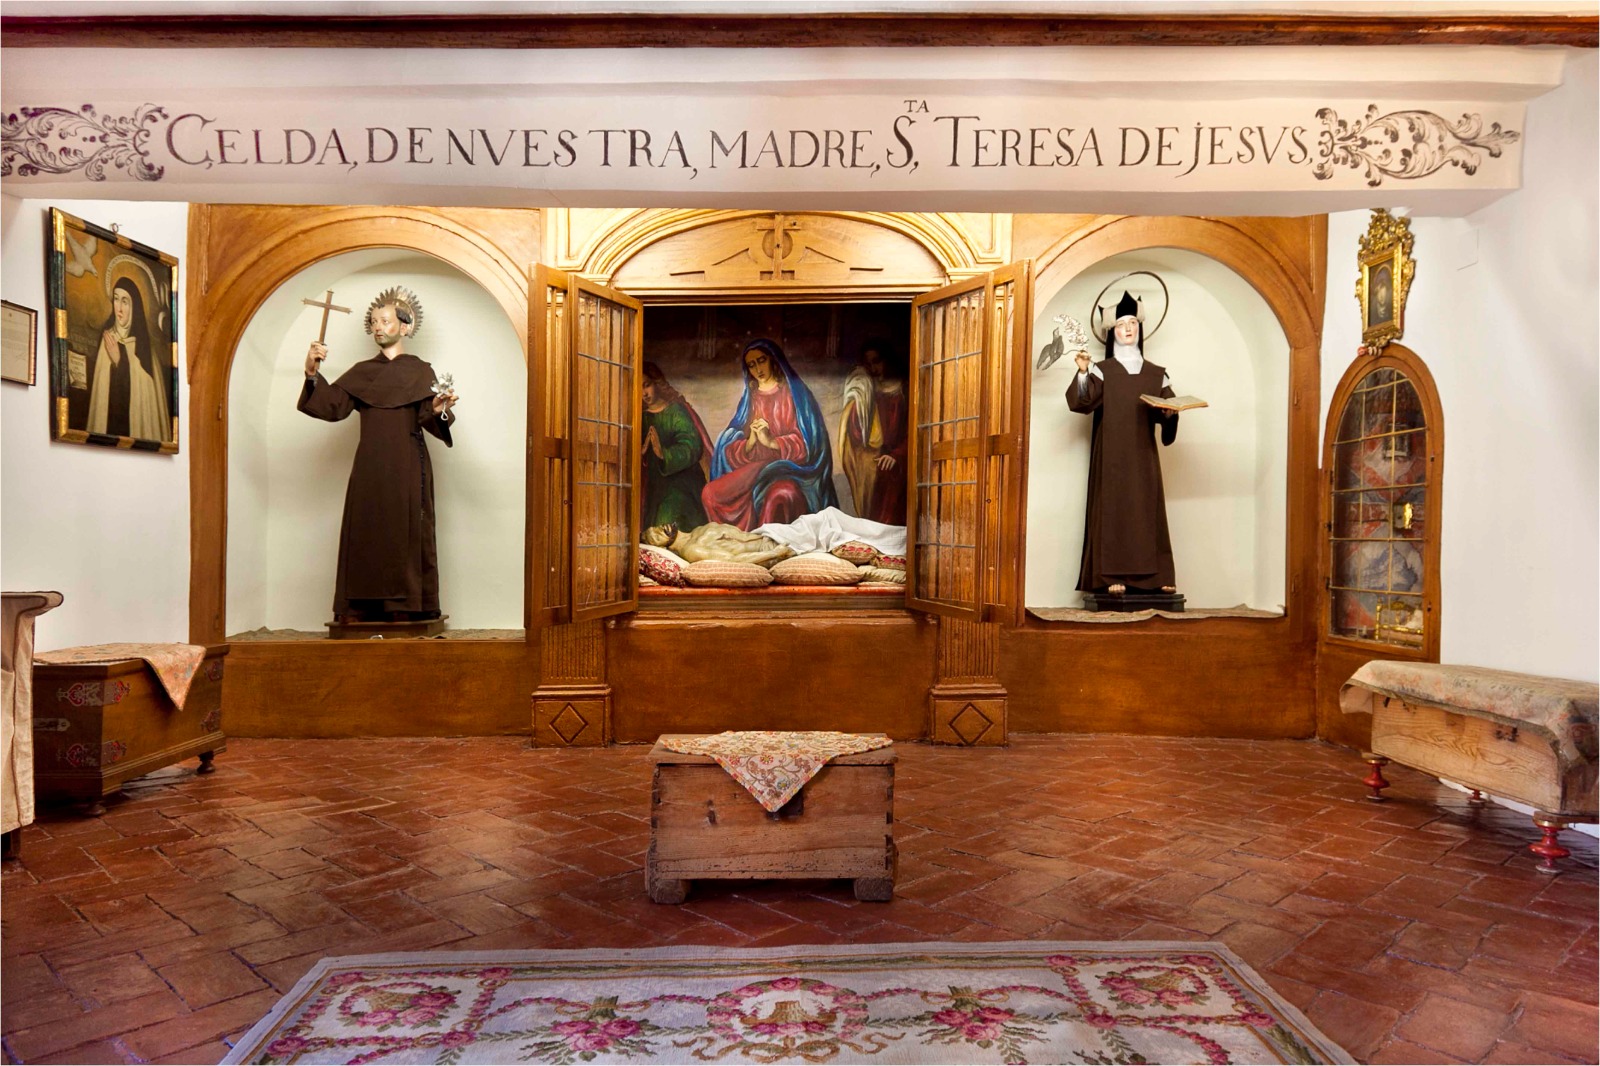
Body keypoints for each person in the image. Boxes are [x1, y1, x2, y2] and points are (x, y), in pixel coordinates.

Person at [298, 286, 459, 623]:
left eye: (385, 321)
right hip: (369, 466)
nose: (378, 327)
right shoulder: (362, 372)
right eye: (373, 322)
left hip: (408, 466)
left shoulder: (420, 371)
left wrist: (438, 408)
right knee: (366, 530)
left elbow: (429, 417)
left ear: (405, 327)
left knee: (407, 532)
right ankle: (361, 608)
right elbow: (332, 406)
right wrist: (311, 373)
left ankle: (408, 608)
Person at [1067, 291, 1180, 597]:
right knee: (1113, 509)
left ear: (1140, 328)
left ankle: (1157, 575)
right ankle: (1112, 576)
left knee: (1147, 509)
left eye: (1133, 323)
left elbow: (1168, 409)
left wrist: (1170, 414)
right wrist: (1082, 372)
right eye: (1121, 324)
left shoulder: (1157, 374)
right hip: (1111, 455)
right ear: (1111, 332)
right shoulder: (1103, 370)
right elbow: (1082, 402)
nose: (1128, 329)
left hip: (1143, 454)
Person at [702, 338, 837, 530]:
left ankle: (763, 544)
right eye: (751, 365)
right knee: (711, 493)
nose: (758, 369)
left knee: (781, 494)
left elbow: (810, 446)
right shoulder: (751, 399)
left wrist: (772, 442)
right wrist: (750, 441)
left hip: (792, 471)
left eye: (761, 360)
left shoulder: (795, 394)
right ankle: (738, 541)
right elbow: (732, 448)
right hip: (757, 469)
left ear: (773, 359)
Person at [87, 277, 170, 441]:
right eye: (116, 299)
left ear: (134, 307)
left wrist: (120, 362)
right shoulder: (107, 339)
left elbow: (147, 394)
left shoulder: (145, 350)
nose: (119, 308)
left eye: (125, 302)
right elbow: (101, 395)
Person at [838, 340, 908, 525]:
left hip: (897, 462)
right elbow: (858, 434)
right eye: (868, 364)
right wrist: (856, 402)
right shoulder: (868, 392)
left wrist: (897, 455)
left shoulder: (903, 389)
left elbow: (913, 432)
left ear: (887, 360)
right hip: (874, 461)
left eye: (876, 361)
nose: (873, 368)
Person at [640, 362, 711, 531]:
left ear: (657, 383)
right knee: (652, 530)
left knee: (666, 524)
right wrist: (641, 453)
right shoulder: (641, 418)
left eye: (647, 385)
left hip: (681, 483)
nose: (644, 393)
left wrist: (663, 454)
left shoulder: (676, 411)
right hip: (654, 487)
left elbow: (692, 447)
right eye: (638, 389)